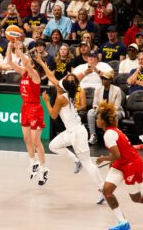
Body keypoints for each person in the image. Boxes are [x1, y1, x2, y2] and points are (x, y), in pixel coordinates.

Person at [36, 51, 105, 204]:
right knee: (53, 145)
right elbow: (52, 78)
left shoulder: (61, 98)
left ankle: (103, 189)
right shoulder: (67, 90)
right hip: (72, 131)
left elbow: (53, 116)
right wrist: (41, 63)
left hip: (78, 133)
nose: (60, 80)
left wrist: (46, 101)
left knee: (88, 163)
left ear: (63, 85)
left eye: (66, 78)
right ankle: (76, 160)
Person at [95, 101, 143, 230]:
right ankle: (123, 223)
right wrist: (111, 163)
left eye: (98, 118)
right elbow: (117, 153)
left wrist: (103, 159)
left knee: (136, 198)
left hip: (132, 164)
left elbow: (117, 155)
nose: (96, 120)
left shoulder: (109, 134)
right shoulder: (111, 131)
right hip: (120, 164)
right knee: (107, 192)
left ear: (103, 121)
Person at [6, 41, 48, 185]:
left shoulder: (34, 74)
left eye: (28, 61)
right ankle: (33, 163)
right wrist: (9, 45)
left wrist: (18, 49)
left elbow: (25, 62)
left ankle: (44, 168)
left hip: (35, 108)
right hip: (25, 107)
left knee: (36, 141)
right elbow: (9, 61)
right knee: (26, 139)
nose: (25, 62)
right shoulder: (24, 73)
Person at [87, 71, 124, 145]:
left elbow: (116, 106)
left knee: (114, 114)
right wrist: (98, 109)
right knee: (91, 112)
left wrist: (105, 110)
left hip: (115, 110)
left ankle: (113, 137)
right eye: (103, 79)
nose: (104, 80)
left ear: (110, 80)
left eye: (106, 79)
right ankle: (93, 135)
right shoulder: (98, 89)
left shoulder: (117, 89)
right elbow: (95, 104)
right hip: (101, 110)